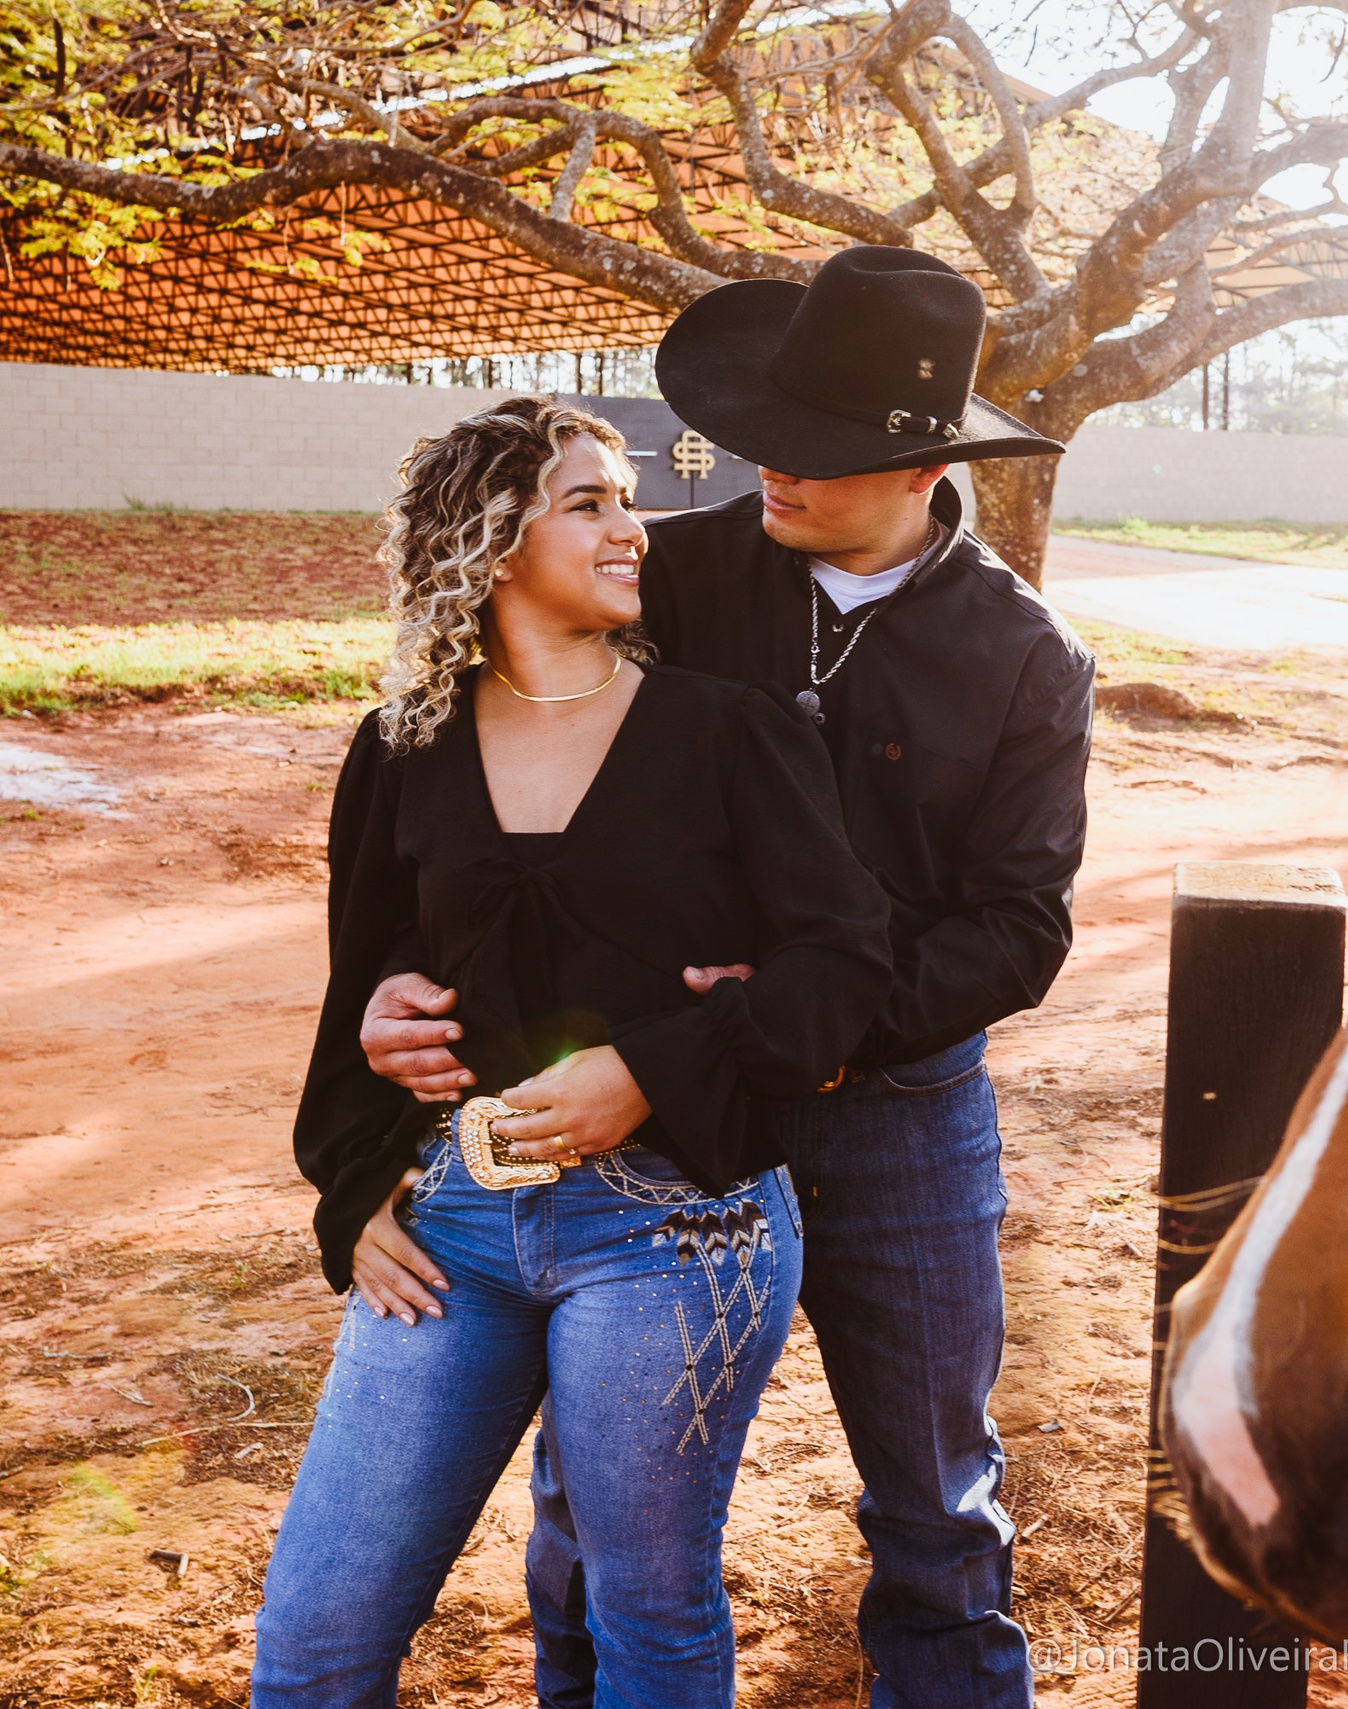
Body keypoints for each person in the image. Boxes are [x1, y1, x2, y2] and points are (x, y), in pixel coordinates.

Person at [358, 249, 1093, 1709]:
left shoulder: (1027, 656)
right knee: (589, 1503)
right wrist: (395, 972)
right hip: (644, 1109)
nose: (773, 465)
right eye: (768, 425)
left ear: (924, 463)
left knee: (937, 1499)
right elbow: (493, 782)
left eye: (817, 450)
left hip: (899, 1121)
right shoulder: (667, 576)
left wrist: (794, 1018)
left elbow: (1020, 929)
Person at [257, 399, 894, 1708]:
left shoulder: (732, 732)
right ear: (493, 542)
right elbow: (360, 985)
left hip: (678, 1233)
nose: (633, 529)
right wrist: (352, 1177)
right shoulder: (400, 748)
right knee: (313, 1643)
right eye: (589, 501)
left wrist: (649, 1067)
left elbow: (844, 968)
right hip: (454, 1232)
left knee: (641, 1615)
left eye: (627, 497)